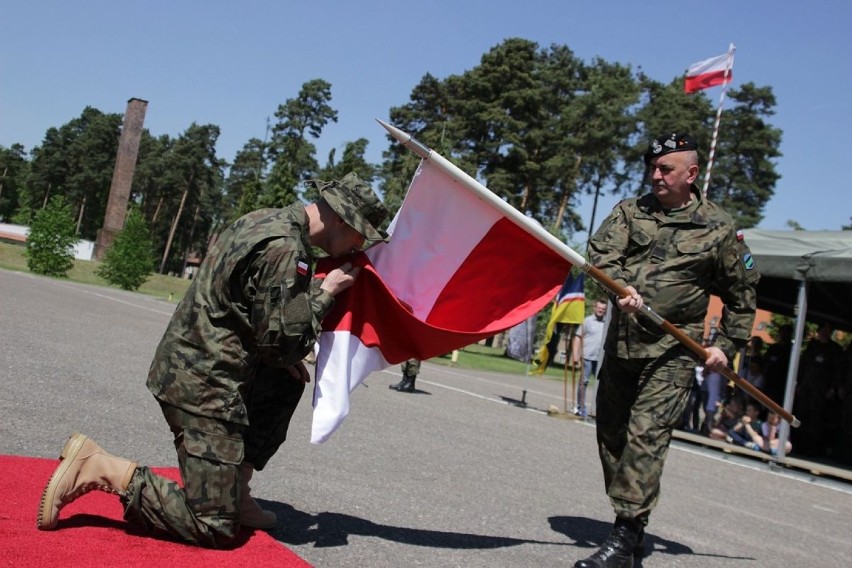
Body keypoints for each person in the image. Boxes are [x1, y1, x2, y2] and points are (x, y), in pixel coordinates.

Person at [37, 172, 389, 548]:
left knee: (286, 379)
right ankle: (101, 467)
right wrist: (325, 293)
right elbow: (280, 345)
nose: (358, 245)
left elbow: (253, 316)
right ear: (339, 217)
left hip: (201, 362)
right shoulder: (287, 249)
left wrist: (281, 351)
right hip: (202, 383)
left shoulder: (264, 219)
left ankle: (236, 491)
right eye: (359, 233)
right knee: (214, 526)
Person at [575, 132, 759, 568]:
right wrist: (621, 285)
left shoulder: (717, 226)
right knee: (612, 433)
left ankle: (623, 535)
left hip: (673, 350)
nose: (654, 176)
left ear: (691, 174)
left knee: (646, 434)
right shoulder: (630, 211)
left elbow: (742, 292)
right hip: (622, 343)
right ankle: (633, 527)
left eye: (665, 169)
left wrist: (725, 346)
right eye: (652, 168)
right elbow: (601, 256)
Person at [575, 299, 608, 417]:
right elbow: (578, 337)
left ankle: (597, 410)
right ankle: (580, 408)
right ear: (595, 307)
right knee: (584, 382)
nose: (601, 310)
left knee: (602, 385)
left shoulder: (607, 322)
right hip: (587, 357)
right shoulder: (587, 321)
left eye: (603, 309)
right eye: (599, 308)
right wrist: (576, 355)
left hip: (601, 359)